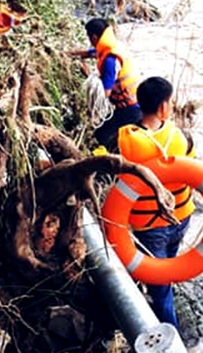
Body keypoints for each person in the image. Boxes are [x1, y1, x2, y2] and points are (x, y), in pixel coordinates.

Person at [116, 76, 194, 330]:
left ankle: (165, 313)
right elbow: (195, 174)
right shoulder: (179, 138)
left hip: (149, 226)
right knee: (165, 273)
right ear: (163, 108)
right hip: (181, 218)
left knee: (159, 282)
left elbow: (122, 182)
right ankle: (173, 336)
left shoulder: (128, 143)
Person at [69, 18, 141, 150]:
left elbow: (105, 93)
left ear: (94, 37)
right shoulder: (114, 46)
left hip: (131, 110)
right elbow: (91, 52)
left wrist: (88, 74)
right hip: (136, 103)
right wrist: (70, 54)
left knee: (100, 136)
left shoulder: (110, 61)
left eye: (89, 38)